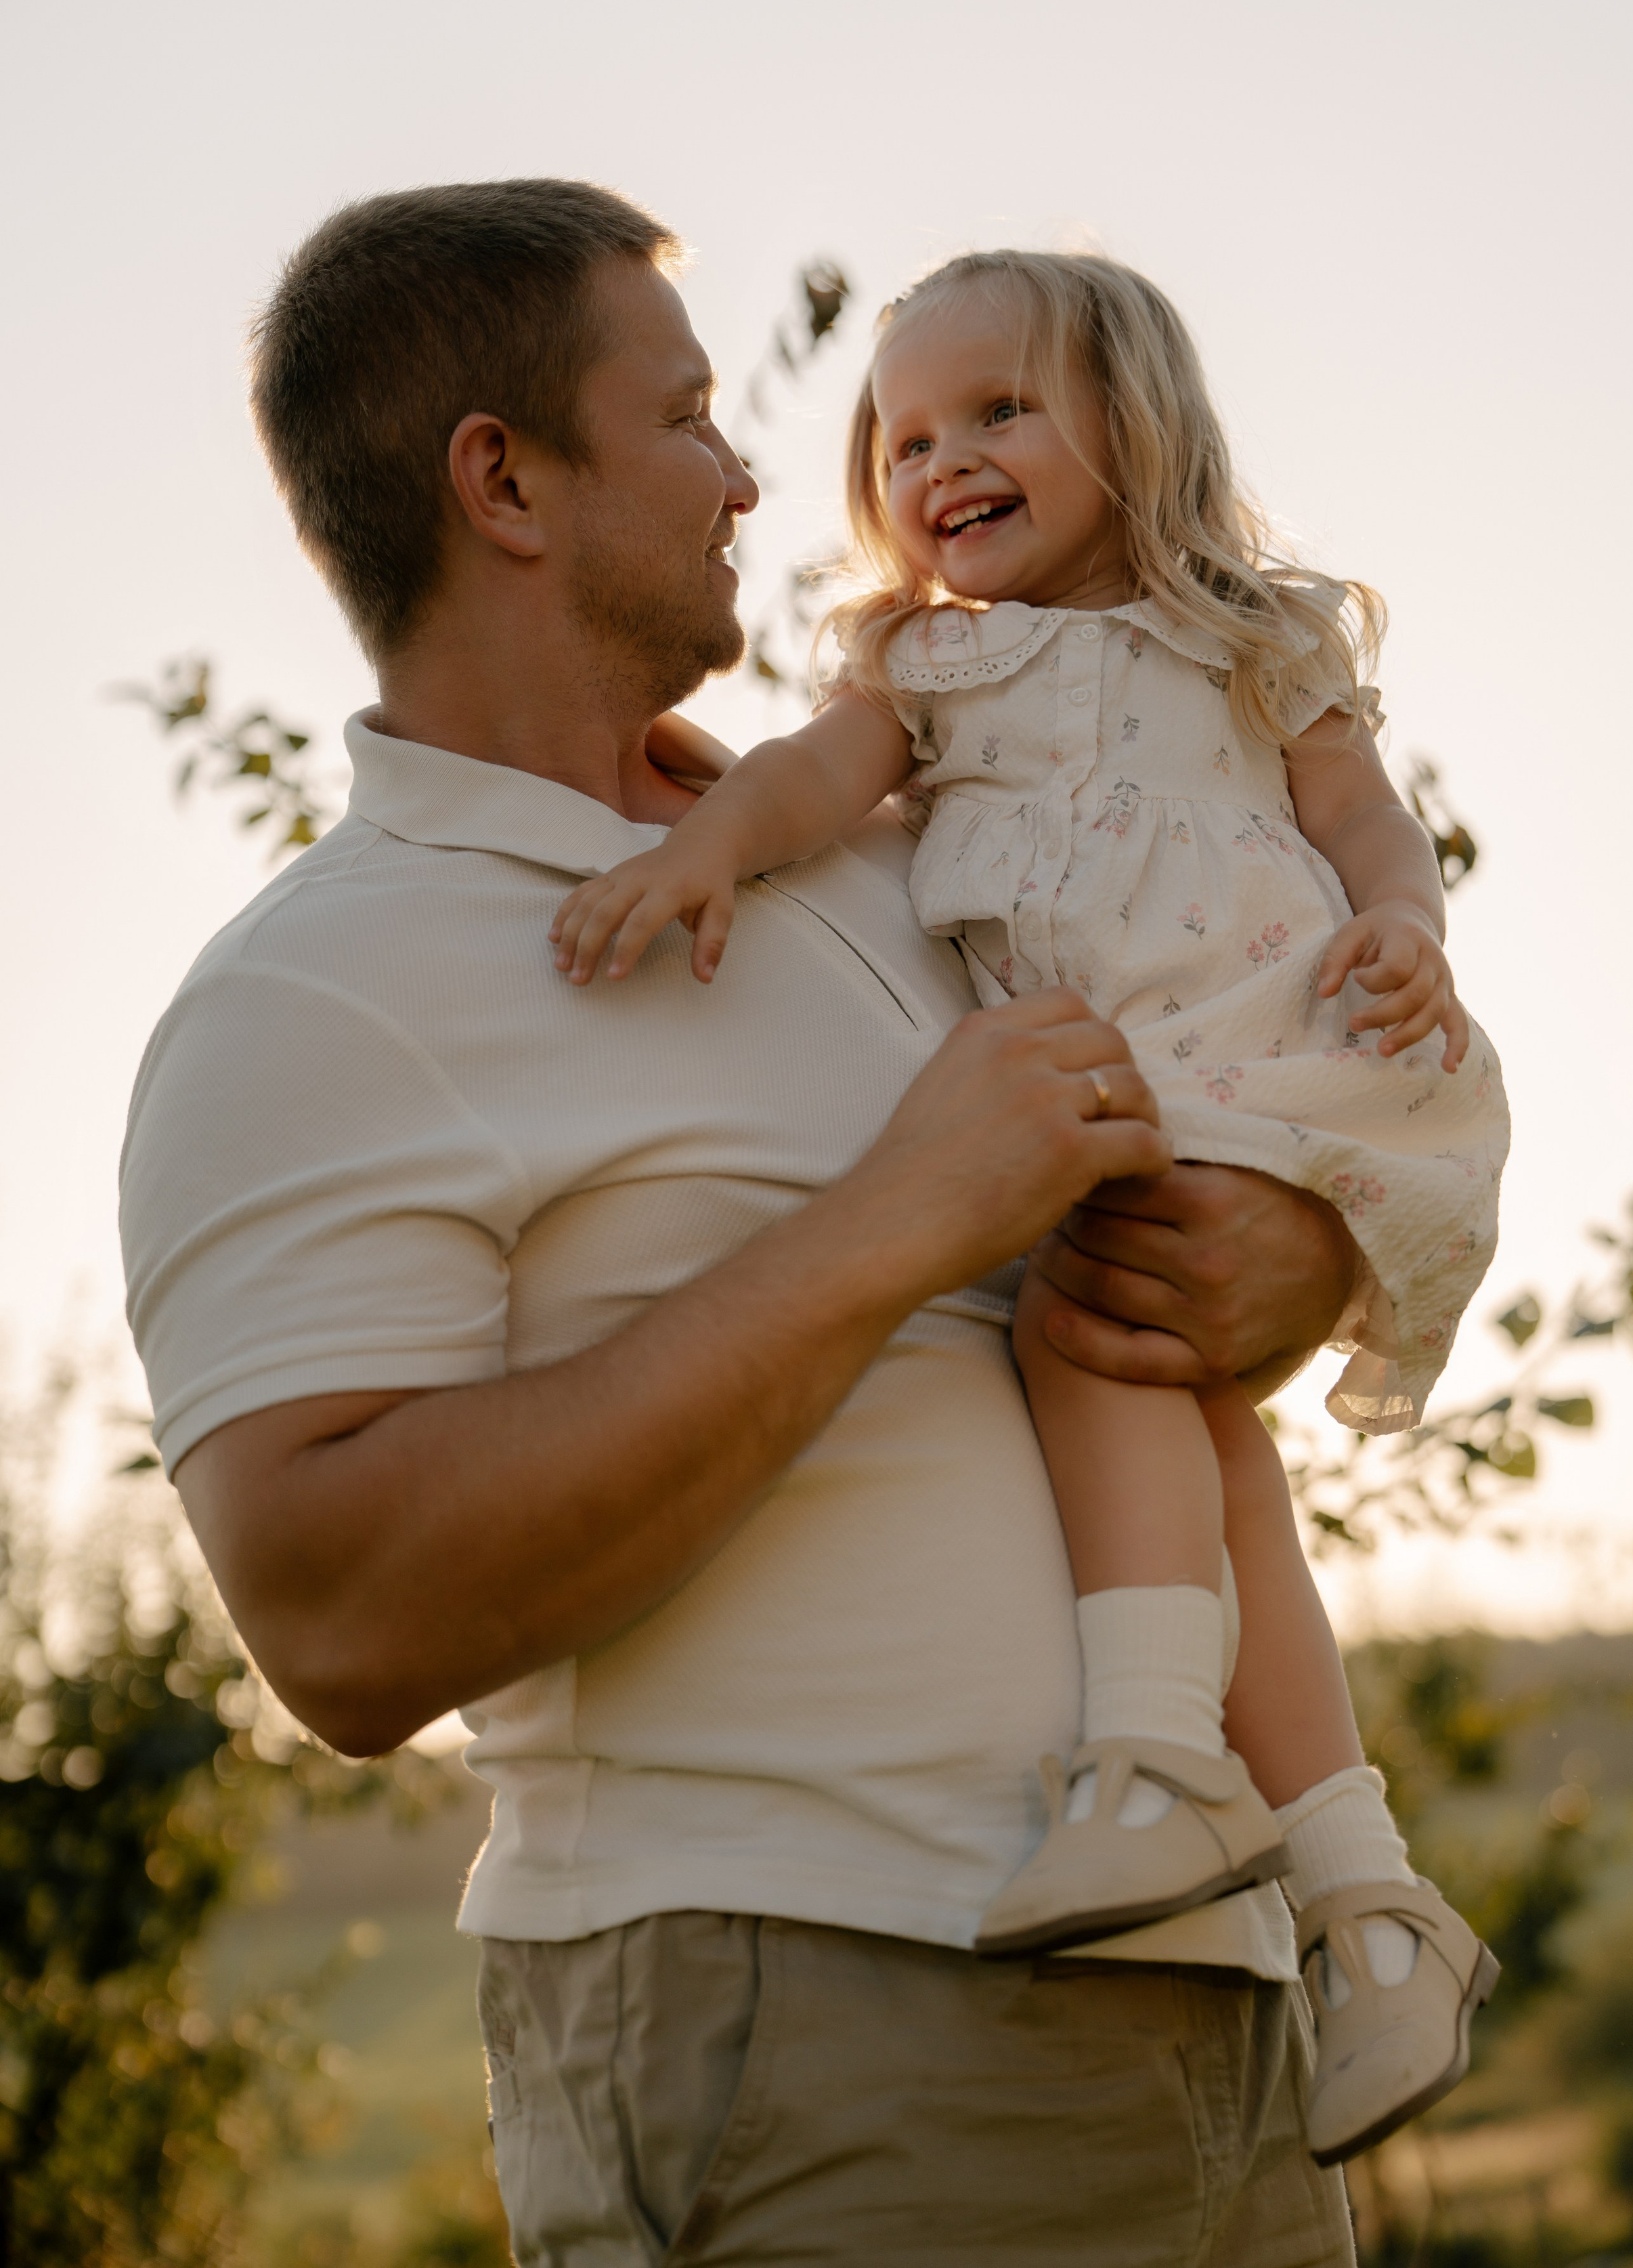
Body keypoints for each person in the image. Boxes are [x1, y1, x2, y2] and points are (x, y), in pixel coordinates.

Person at [121, 181, 1391, 2263]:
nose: (753, 478)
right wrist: (895, 1222)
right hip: (820, 2033)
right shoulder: (315, 989)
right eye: (694, 418)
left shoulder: (922, 847)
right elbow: (336, 1621)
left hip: (1222, 2018)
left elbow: (1272, 1089)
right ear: (503, 481)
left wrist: (1302, 1258)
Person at [551, 248, 1508, 2161]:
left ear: (1133, 429)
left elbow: (1362, 818)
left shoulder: (1251, 634)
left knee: (1092, 1348)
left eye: (1000, 411)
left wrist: (1406, 922)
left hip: (1267, 1049)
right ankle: (1371, 1903)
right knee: (1196, 1431)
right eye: (905, 436)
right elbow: (817, 776)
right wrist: (711, 846)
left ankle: (1157, 1760)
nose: (944, 460)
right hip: (1120, 1090)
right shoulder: (926, 666)